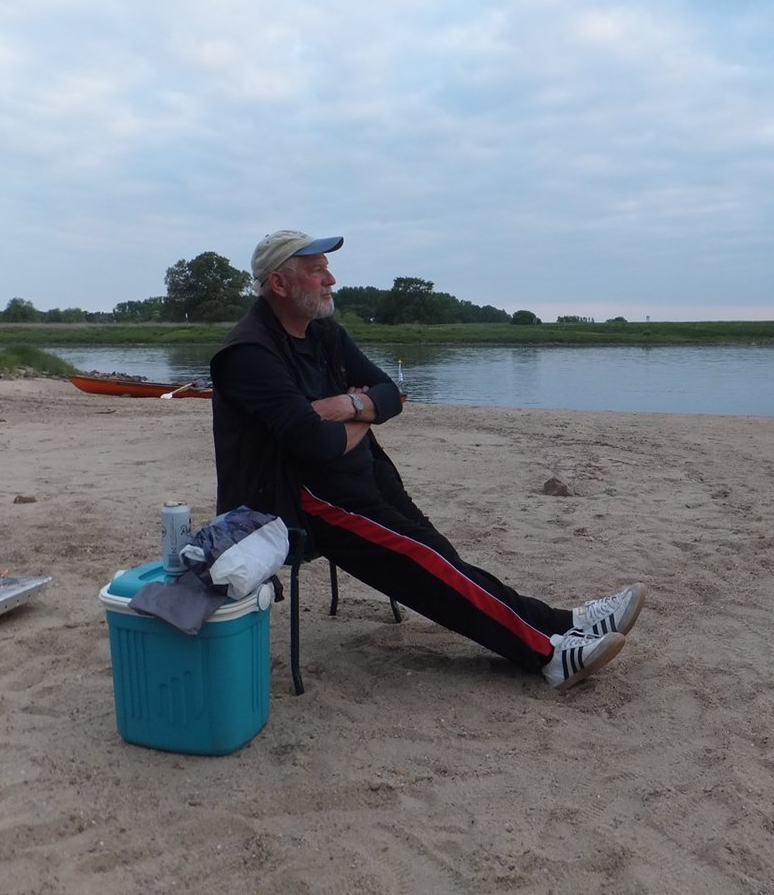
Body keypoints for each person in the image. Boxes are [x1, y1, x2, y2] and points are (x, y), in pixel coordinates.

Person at [210, 230, 645, 690]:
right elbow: (313, 443)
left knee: (439, 554)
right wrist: (365, 416)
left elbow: (391, 394)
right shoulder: (248, 354)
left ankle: (566, 621)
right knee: (425, 560)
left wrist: (350, 406)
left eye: (327, 270)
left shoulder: (324, 334)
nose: (330, 280)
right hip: (305, 501)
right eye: (317, 271)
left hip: (362, 475)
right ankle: (549, 654)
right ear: (279, 284)